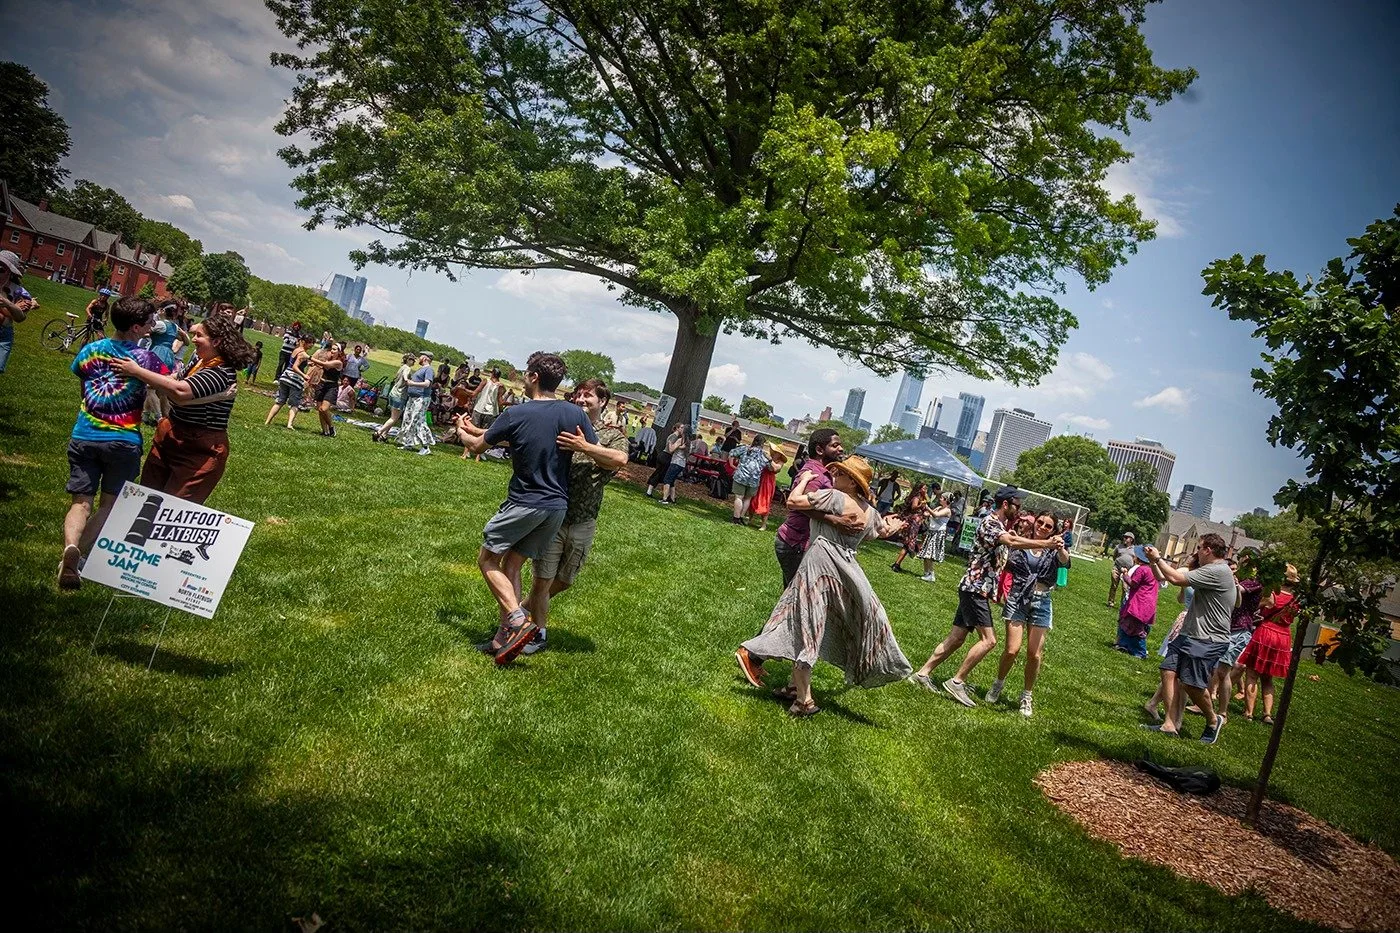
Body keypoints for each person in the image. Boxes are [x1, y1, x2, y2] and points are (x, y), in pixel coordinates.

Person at [735, 457, 912, 717]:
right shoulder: (870, 510)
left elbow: (793, 502)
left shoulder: (835, 497)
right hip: (846, 569)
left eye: (840, 473)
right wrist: (893, 527)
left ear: (852, 482)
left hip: (818, 565)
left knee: (807, 624)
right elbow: (879, 532)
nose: (835, 475)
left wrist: (804, 480)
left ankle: (803, 701)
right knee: (815, 621)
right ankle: (794, 688)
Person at [460, 351, 598, 665]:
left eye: (525, 373)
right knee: (511, 566)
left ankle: (518, 619)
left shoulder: (516, 412)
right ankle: (503, 640)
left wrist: (460, 432)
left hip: (525, 502)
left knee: (487, 559)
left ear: (534, 377)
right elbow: (591, 449)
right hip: (557, 507)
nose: (523, 377)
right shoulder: (574, 414)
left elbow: (476, 447)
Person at [909, 485, 1058, 707]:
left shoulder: (1000, 525)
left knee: (956, 638)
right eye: (1017, 506)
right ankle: (957, 681)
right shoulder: (989, 522)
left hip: (976, 588)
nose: (1019, 510)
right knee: (989, 641)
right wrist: (1045, 543)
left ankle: (922, 674)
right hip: (974, 588)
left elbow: (1007, 547)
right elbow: (1012, 542)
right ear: (1005, 504)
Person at [56, 298, 169, 589]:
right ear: (136, 327)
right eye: (148, 322)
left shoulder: (91, 349)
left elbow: (83, 387)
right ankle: (79, 556)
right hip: (123, 440)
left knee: (81, 502)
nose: (151, 326)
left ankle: (69, 547)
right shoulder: (144, 359)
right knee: (110, 504)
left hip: (84, 434)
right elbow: (167, 386)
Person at [520, 379, 630, 654]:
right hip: (553, 514)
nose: (581, 399)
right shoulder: (562, 425)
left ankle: (521, 609)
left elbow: (619, 459)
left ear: (602, 401)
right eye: (578, 395)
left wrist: (586, 447)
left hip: (584, 519)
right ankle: (538, 634)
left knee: (565, 581)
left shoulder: (613, 435)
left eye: (588, 396)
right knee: (542, 579)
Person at [116, 314, 256, 504]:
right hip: (170, 436)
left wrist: (137, 371)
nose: (194, 340)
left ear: (216, 341)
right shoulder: (198, 361)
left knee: (173, 510)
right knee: (144, 500)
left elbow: (179, 392)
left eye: (199, 336)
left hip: (200, 449)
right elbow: (174, 382)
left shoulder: (222, 372)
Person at [1141, 534, 1236, 744]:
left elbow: (1176, 579)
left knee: (1191, 684)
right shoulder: (1209, 570)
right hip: (1189, 632)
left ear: (1208, 550)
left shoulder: (1218, 570)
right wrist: (1153, 561)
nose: (1196, 552)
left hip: (1208, 638)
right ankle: (1169, 724)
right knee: (1168, 671)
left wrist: (1158, 558)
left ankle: (1213, 720)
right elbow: (1165, 578)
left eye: (1200, 547)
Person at [984, 510, 1071, 716]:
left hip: (1042, 601)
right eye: (1040, 522)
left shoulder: (1054, 548)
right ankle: (998, 683)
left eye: (1048, 526)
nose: (1042, 527)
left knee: (1034, 654)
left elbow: (1065, 562)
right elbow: (1008, 560)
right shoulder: (1023, 542)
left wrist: (1060, 548)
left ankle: (1026, 695)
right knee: (1012, 650)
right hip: (1017, 598)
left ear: (1054, 529)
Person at [1237, 565, 1299, 724]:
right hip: (1284, 636)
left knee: (1252, 674)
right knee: (1268, 678)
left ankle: (1249, 712)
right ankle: (1267, 714)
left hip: (1266, 633)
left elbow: (1253, 608)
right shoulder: (1296, 600)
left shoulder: (1272, 595)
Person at [1211, 563, 1262, 714]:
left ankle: (1222, 713)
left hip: (1239, 630)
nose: (1243, 565)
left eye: (1247, 562)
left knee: (1223, 671)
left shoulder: (1254, 582)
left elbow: (1236, 590)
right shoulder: (1242, 578)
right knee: (1212, 667)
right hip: (1225, 626)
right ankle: (1205, 701)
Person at [1115, 546, 1162, 658]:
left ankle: (1140, 652)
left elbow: (1133, 583)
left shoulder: (1142, 569)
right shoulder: (1153, 570)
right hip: (1149, 604)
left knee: (1135, 628)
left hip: (1139, 602)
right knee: (1130, 624)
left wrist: (1125, 574)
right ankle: (1124, 644)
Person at [265, 333, 315, 429]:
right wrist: (304, 375)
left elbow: (295, 362)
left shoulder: (296, 350)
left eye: (312, 343)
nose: (311, 345)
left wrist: (308, 363)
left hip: (285, 377)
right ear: (303, 342)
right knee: (295, 403)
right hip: (294, 379)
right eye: (310, 343)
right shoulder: (303, 353)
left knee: (279, 401)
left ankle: (267, 421)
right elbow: (295, 367)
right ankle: (289, 424)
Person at [0, 249, 36, 375]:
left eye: (2, 269)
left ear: (10, 273)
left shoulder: (19, 292)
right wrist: (13, 308)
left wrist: (8, 304)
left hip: (4, 335)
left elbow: (20, 318)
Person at [397, 352, 437, 455]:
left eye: (420, 356)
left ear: (425, 358)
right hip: (413, 398)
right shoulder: (421, 369)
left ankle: (425, 446)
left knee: (419, 421)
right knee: (408, 419)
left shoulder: (429, 369)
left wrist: (412, 383)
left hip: (421, 398)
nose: (418, 358)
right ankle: (408, 443)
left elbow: (427, 383)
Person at [728, 433, 772, 525]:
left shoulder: (745, 448)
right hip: (754, 480)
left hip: (741, 476)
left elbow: (732, 453)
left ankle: (736, 518)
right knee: (747, 499)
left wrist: (732, 464)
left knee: (739, 498)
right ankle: (741, 517)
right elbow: (770, 468)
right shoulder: (764, 455)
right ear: (762, 444)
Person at [373, 353, 416, 442]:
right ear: (408, 360)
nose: (414, 362)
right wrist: (407, 380)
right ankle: (378, 432)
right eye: (412, 360)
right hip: (399, 395)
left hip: (393, 393)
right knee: (393, 418)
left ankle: (384, 435)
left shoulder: (402, 367)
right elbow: (405, 375)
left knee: (394, 418)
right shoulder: (407, 368)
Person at [890, 481, 928, 572]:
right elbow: (913, 507)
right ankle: (896, 564)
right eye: (924, 488)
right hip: (913, 523)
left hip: (917, 523)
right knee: (908, 544)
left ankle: (898, 563)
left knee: (908, 544)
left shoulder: (923, 497)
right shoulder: (916, 497)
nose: (926, 490)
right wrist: (920, 505)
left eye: (926, 488)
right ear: (919, 489)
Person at [309, 342, 346, 436]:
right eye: (331, 349)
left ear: (339, 352)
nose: (332, 351)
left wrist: (310, 358)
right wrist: (312, 363)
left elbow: (324, 364)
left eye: (334, 349)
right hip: (321, 384)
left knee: (324, 409)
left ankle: (331, 427)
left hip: (331, 387)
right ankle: (324, 431)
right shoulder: (328, 358)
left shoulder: (339, 362)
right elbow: (321, 364)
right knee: (319, 409)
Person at [470, 368, 507, 461]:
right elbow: (500, 399)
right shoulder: (501, 386)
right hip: (491, 411)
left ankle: (468, 452)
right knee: (484, 433)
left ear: (492, 374)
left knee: (472, 430)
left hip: (479, 408)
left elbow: (476, 392)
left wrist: (467, 395)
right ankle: (479, 455)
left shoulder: (485, 381)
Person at [916, 493, 953, 582]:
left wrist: (928, 507)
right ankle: (926, 574)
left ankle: (931, 575)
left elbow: (936, 515)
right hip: (931, 532)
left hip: (938, 533)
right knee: (925, 554)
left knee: (929, 555)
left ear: (946, 500)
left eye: (942, 498)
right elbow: (928, 514)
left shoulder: (947, 510)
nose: (940, 499)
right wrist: (922, 507)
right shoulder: (939, 508)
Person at [748, 445, 783, 531]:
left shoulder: (780, 462)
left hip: (768, 482)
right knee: (754, 498)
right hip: (760, 478)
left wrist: (770, 460)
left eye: (776, 452)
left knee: (764, 501)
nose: (773, 453)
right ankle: (750, 519)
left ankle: (763, 525)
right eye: (773, 451)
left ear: (779, 454)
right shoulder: (767, 457)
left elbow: (775, 469)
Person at [657, 422, 689, 504]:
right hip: (682, 464)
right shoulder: (689, 443)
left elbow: (671, 450)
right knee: (672, 481)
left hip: (675, 463)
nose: (681, 430)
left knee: (666, 480)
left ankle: (664, 499)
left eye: (682, 429)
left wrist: (670, 443)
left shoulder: (680, 440)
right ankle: (672, 499)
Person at [1106, 532, 1137, 608]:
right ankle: (1110, 602)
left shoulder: (1135, 549)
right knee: (1114, 585)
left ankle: (1123, 605)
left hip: (1127, 571)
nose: (1125, 538)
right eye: (1124, 537)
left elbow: (1135, 561)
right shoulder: (1118, 546)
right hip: (1117, 568)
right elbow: (1115, 556)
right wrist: (1119, 565)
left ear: (1131, 539)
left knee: (1125, 588)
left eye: (1127, 537)